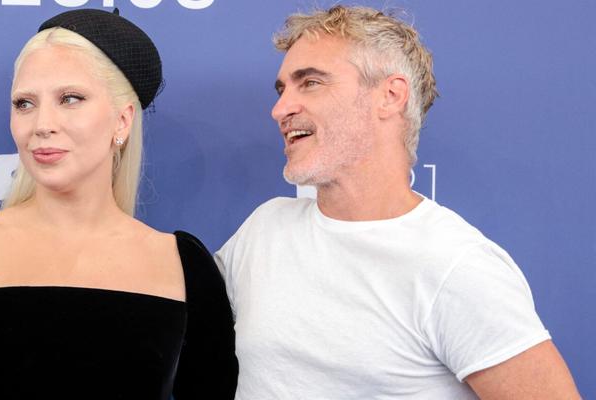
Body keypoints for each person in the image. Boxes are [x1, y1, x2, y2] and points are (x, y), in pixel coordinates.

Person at [215, 5, 580, 399]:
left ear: (390, 96)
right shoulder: (265, 228)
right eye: (283, 88)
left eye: (311, 83)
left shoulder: (455, 267)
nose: (280, 109)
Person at [0, 9, 237, 399]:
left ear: (122, 122)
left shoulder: (183, 265)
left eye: (70, 98)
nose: (41, 124)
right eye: (24, 103)